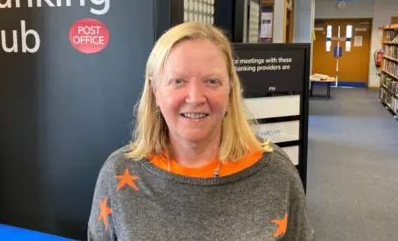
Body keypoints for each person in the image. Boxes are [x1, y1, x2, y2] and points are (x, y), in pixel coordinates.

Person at [87, 22, 315, 240]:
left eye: (212, 81)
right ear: (154, 90)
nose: (195, 98)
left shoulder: (276, 173)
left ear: (230, 89)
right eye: (177, 81)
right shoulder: (117, 173)